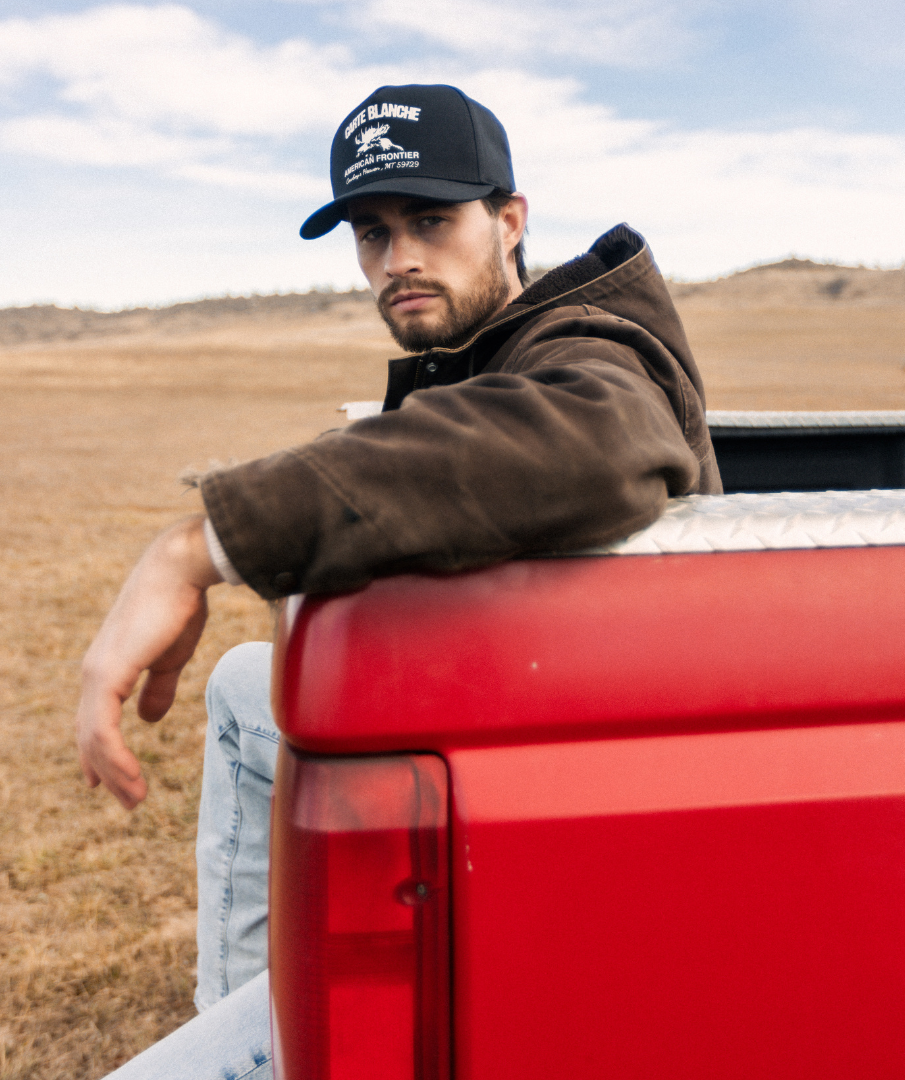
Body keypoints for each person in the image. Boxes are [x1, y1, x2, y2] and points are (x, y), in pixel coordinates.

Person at [75, 83, 721, 1078]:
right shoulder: (477, 359)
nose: (399, 259)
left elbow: (593, 438)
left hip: (572, 822)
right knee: (249, 685)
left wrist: (196, 546)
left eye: (430, 219)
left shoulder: (587, 346)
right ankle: (249, 1008)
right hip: (498, 731)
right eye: (372, 232)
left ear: (510, 222)